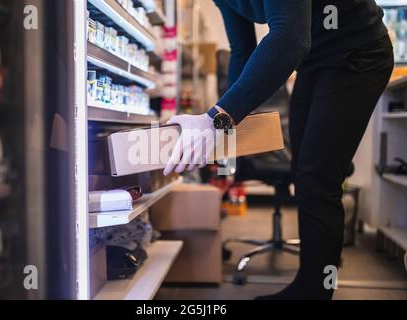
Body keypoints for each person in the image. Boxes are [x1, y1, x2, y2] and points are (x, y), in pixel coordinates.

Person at [163, 0, 394, 300]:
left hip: (358, 53)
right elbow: (243, 52)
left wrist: (215, 119)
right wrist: (223, 133)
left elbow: (291, 37)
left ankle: (315, 291)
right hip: (313, 61)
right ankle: (310, 281)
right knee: (305, 173)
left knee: (318, 178)